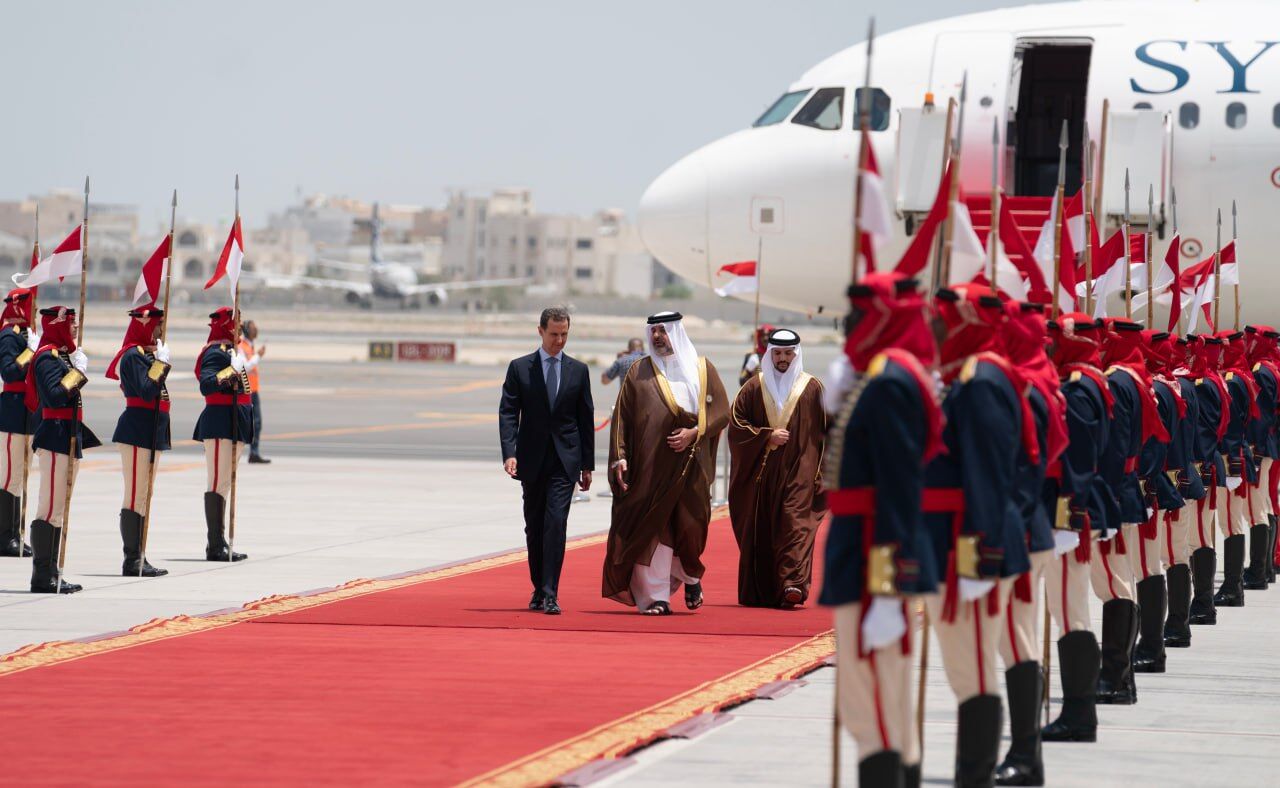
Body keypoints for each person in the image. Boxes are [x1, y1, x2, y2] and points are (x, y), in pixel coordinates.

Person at [820, 272, 942, 788]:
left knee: (869, 699)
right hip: (862, 546)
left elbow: (898, 485)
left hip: (873, 553)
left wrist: (892, 586)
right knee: (878, 696)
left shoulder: (891, 383)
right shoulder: (882, 376)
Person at [925, 284, 1032, 786]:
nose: (934, 329)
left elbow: (989, 473)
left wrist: (981, 550)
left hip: (972, 541)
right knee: (965, 665)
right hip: (961, 537)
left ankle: (976, 775)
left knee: (971, 666)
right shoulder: (968, 377)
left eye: (943, 320)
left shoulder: (982, 379)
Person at [603, 311, 728, 615]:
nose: (658, 336)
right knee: (653, 529)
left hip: (692, 466)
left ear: (676, 332)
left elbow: (722, 411)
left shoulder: (702, 369)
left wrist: (694, 433)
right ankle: (655, 597)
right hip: (650, 469)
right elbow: (622, 418)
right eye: (654, 331)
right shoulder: (638, 372)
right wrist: (619, 456)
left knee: (690, 527)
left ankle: (690, 575)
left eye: (663, 330)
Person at [995, 301, 1064, 786]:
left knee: (1012, 639)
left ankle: (1024, 752)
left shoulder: (1022, 387)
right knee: (1011, 638)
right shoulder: (1037, 381)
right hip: (1025, 522)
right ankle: (1024, 750)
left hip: (1015, 526)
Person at [1041, 314, 1110, 746]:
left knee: (1070, 613)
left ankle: (1078, 713)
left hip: (1069, 517)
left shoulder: (1080, 389)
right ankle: (1076, 709)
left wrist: (1066, 518)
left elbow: (1079, 462)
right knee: (1066, 611)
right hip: (1069, 513)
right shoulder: (1086, 381)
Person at [498, 306, 595, 616]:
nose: (560, 341)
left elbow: (585, 418)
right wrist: (509, 452)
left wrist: (587, 465)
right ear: (540, 331)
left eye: (564, 334)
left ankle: (551, 592)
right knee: (535, 526)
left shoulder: (579, 371)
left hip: (565, 461)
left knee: (556, 523)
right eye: (554, 334)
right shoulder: (520, 368)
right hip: (531, 459)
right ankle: (539, 587)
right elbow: (508, 412)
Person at [727, 328, 826, 608]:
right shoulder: (753, 387)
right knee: (765, 529)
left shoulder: (813, 387)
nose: (783, 359)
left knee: (794, 525)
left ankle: (792, 584)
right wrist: (764, 436)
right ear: (770, 354)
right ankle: (766, 589)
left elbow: (829, 432)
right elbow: (736, 424)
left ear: (797, 354)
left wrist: (823, 472)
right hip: (764, 474)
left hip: (801, 472)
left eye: (788, 353)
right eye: (778, 353)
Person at [26, 306, 98, 594]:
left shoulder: (62, 356)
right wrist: (78, 373)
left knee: (59, 507)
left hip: (67, 436)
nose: (75, 328)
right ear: (57, 326)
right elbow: (55, 397)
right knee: (50, 507)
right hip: (54, 437)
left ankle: (52, 571)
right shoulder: (46, 357)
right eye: (71, 324)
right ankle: (42, 576)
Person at [105, 305, 171, 578]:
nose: (159, 332)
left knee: (144, 494)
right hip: (136, 430)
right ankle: (132, 559)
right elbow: (146, 391)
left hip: (150, 430)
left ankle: (141, 554)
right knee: (135, 495)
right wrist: (161, 364)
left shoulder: (144, 354)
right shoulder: (132, 356)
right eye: (156, 325)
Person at [193, 307, 252, 562]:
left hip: (233, 423)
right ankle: (215, 544)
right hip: (219, 423)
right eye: (236, 324)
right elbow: (206, 384)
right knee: (217, 481)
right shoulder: (216, 353)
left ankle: (220, 542)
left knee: (224, 482)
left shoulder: (231, 353)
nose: (239, 328)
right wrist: (230, 370)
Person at [0, 288, 37, 558]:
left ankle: (15, 534)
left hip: (26, 411)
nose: (34, 314)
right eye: (32, 309)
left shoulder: (24, 336)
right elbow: (10, 370)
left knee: (20, 476)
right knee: (9, 477)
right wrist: (29, 353)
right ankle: (5, 537)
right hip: (12, 409)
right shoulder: (8, 336)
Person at [238, 319, 270, 463]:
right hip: (246, 390)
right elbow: (246, 366)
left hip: (253, 390)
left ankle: (254, 452)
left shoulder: (249, 346)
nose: (255, 330)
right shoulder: (241, 346)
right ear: (246, 330)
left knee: (256, 423)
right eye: (252, 328)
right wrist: (259, 356)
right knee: (249, 423)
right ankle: (248, 451)